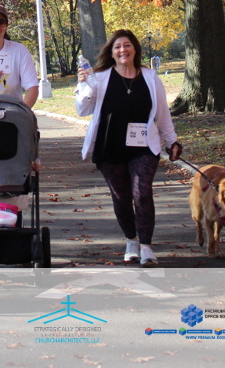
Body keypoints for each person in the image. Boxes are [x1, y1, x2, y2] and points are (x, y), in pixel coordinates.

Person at [75, 29, 182, 267]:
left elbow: (162, 114)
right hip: (110, 146)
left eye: (127, 45)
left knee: (142, 193)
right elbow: (83, 109)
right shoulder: (99, 77)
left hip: (143, 147)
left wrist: (172, 141)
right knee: (121, 197)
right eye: (118, 47)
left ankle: (146, 247)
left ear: (135, 49)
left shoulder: (150, 77)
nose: (123, 50)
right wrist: (83, 85)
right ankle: (131, 241)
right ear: (112, 53)